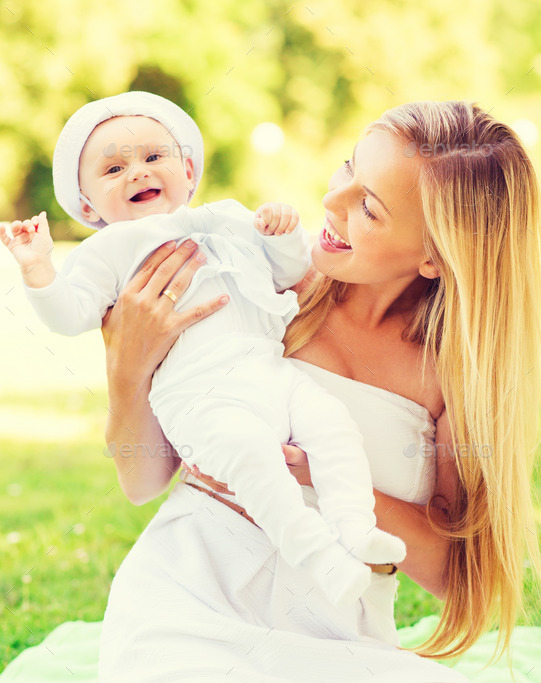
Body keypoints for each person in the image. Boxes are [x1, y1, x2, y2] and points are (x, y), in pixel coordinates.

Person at [98, 100, 541, 681]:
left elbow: (457, 575)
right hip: (186, 604)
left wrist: (326, 475)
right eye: (347, 167)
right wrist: (127, 369)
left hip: (338, 638)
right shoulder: (259, 277)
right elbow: (142, 482)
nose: (331, 203)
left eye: (369, 208)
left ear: (436, 254)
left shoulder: (452, 372)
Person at [0, 91, 407, 607]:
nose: (137, 173)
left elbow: (286, 274)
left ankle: (355, 529)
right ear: (86, 206)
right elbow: (69, 315)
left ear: (188, 171)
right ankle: (315, 551)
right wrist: (38, 269)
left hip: (270, 371)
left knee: (332, 426)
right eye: (113, 169)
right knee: (252, 458)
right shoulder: (107, 251)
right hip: (199, 395)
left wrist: (279, 232)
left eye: (153, 157)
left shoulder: (229, 217)